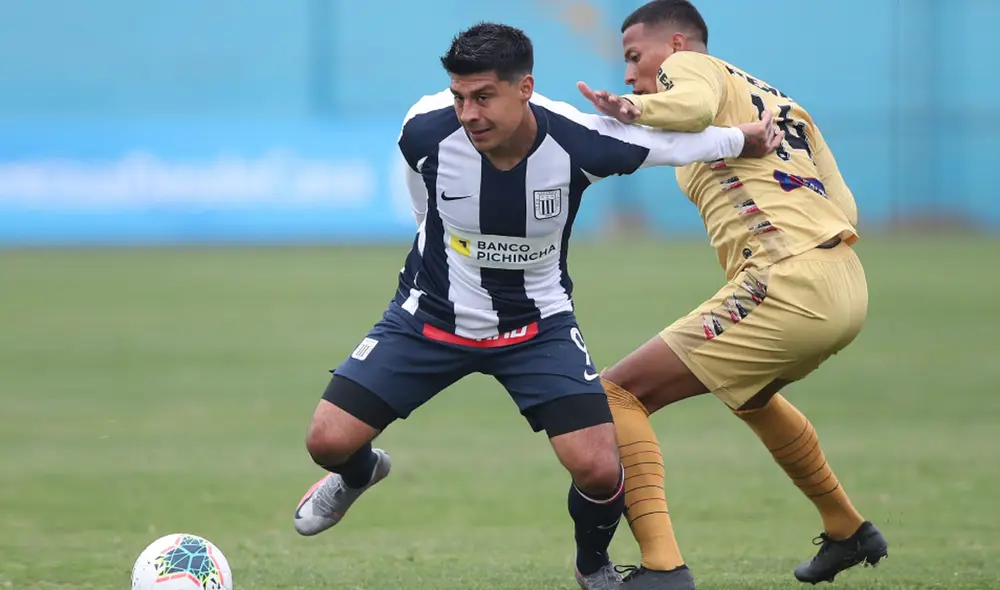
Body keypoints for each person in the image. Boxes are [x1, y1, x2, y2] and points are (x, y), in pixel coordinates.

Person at [291, 21, 780, 590]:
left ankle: (591, 563)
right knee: (326, 441)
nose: (468, 112)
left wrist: (741, 138)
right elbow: (423, 206)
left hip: (537, 327)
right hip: (429, 316)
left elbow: (666, 146)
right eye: (459, 96)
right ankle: (360, 473)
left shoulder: (578, 141)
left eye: (483, 97)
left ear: (524, 88)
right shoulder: (424, 130)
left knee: (599, 468)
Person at [574, 1, 888, 588]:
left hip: (787, 282)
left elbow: (687, 105)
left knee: (617, 393)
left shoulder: (694, 70)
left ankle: (663, 570)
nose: (629, 74)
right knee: (751, 396)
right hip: (843, 278)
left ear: (676, 45)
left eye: (635, 58)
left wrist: (634, 107)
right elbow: (844, 208)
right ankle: (847, 529)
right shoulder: (782, 103)